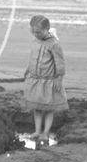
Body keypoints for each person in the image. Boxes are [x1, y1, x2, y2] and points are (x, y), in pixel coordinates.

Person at [23, 15, 68, 144]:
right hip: (36, 80)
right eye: (33, 31)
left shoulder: (54, 44)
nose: (35, 34)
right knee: (37, 107)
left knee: (48, 108)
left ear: (47, 29)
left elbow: (60, 63)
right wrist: (28, 70)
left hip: (48, 81)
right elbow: (33, 57)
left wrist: (59, 78)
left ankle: (45, 133)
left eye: (38, 32)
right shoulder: (35, 41)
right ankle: (37, 131)